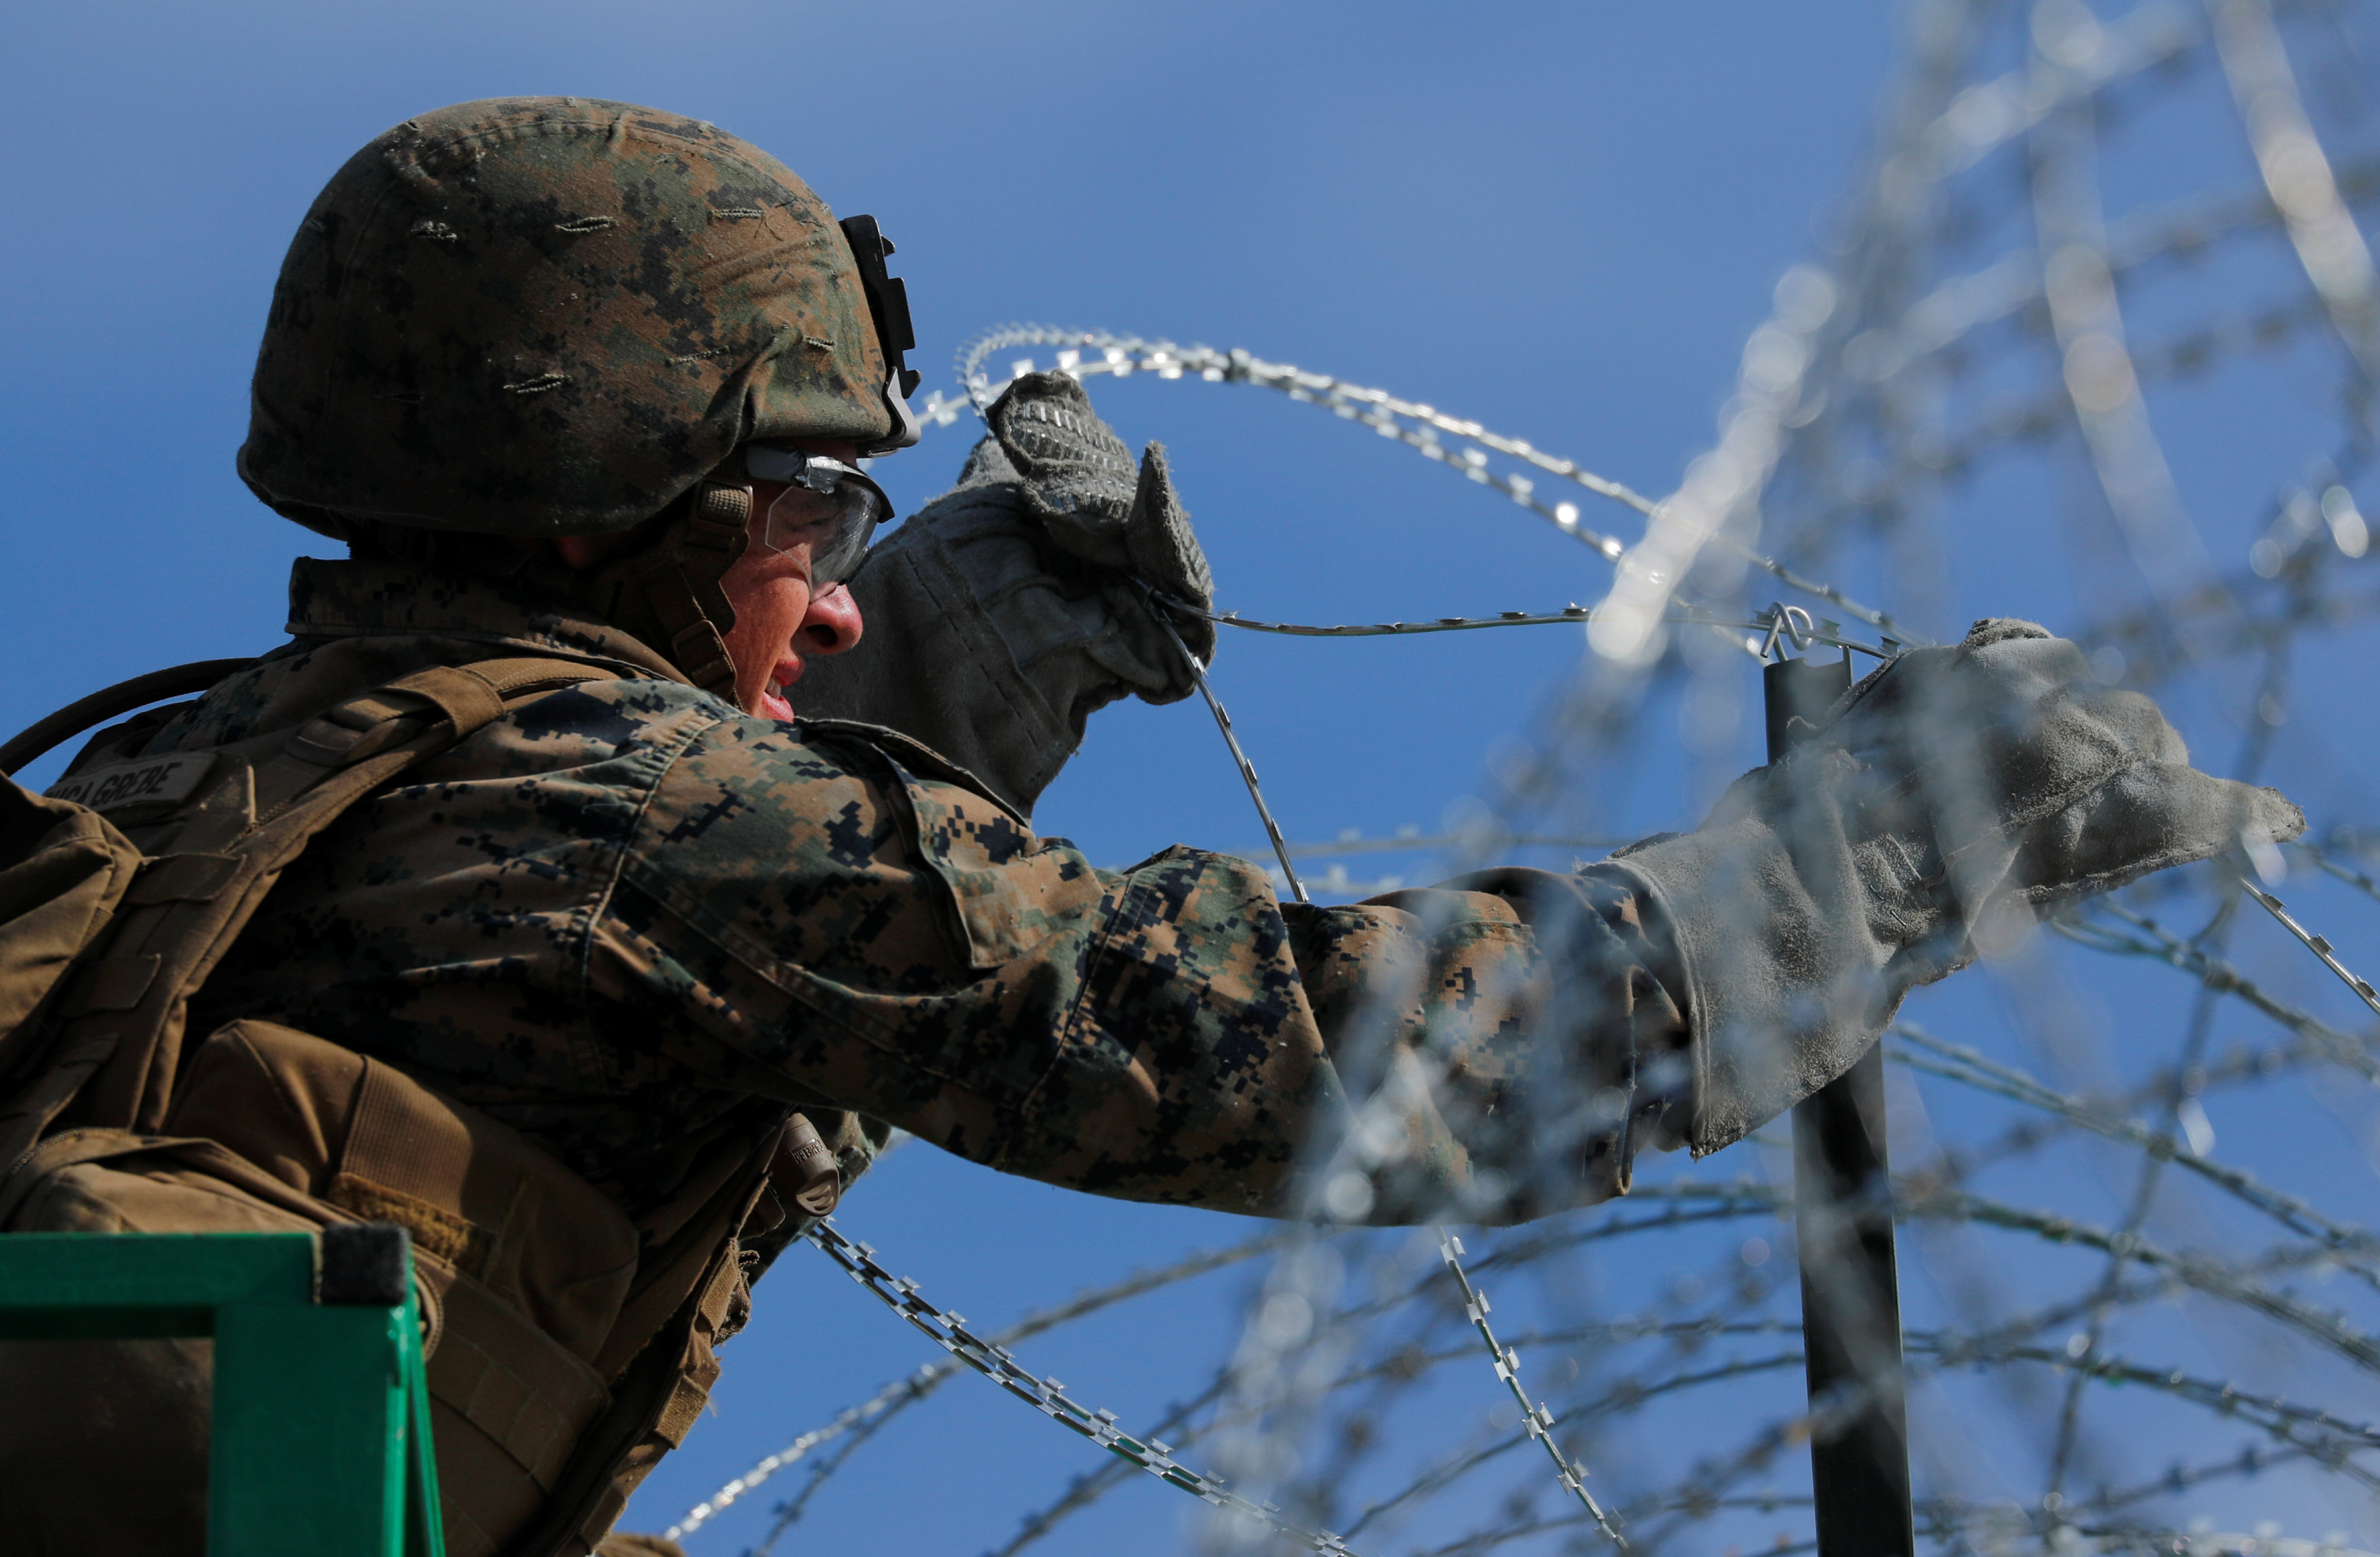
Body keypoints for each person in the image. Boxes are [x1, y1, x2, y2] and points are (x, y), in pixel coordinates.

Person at [0, 97, 2301, 1557]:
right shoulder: (625, 820)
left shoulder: (186, 787)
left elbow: (640, 941)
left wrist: (969, 652)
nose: (823, 589)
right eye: (810, 506)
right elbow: (1323, 1065)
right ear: (635, 518)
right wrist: (1882, 849)